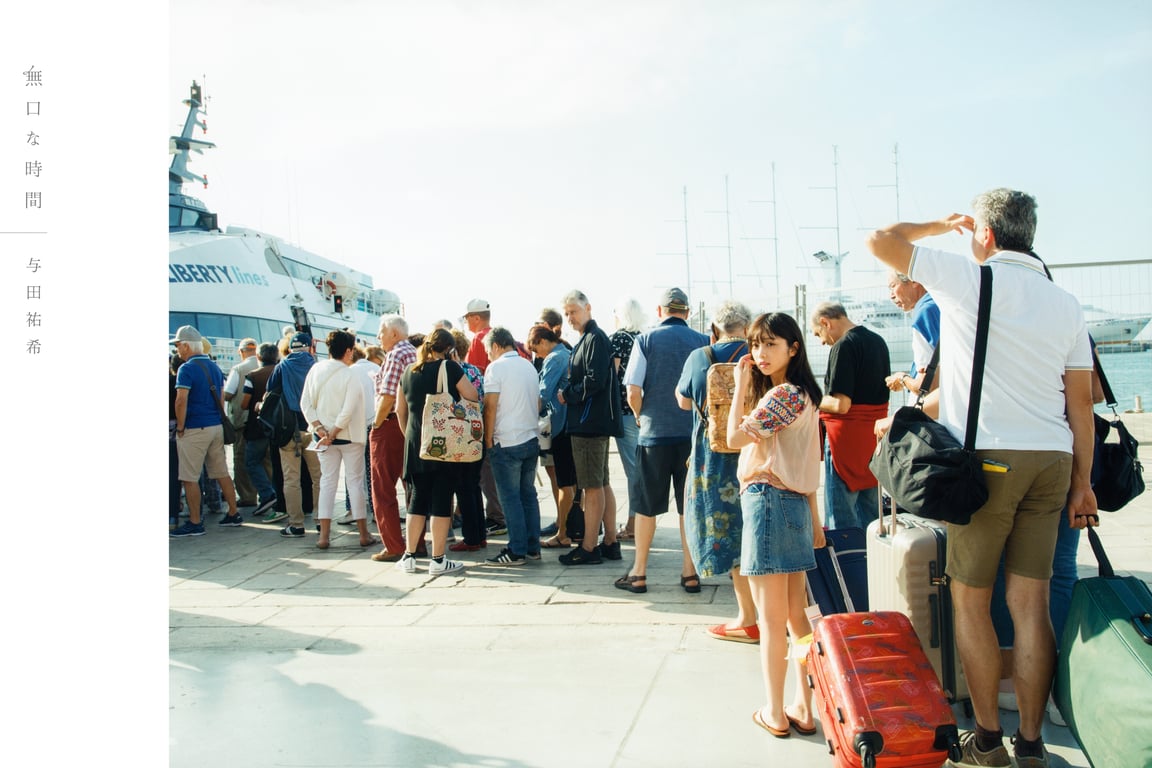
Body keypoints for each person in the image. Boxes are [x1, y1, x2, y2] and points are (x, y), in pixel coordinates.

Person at [866, 188, 1096, 768]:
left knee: (970, 601)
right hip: (1054, 459)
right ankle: (1034, 743)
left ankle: (989, 741)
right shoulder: (1065, 302)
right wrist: (1084, 483)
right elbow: (1081, 407)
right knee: (1031, 603)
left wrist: (941, 225)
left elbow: (879, 240)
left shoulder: (968, 280)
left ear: (986, 234)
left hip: (990, 458)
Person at [727, 312, 824, 740]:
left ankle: (775, 710)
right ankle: (804, 706)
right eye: (755, 345)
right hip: (795, 507)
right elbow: (810, 465)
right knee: (797, 618)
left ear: (793, 348)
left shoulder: (782, 396)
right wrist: (815, 522)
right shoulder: (806, 396)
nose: (760, 353)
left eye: (770, 344)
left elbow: (732, 439)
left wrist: (741, 385)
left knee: (771, 622)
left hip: (768, 502)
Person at [616, 287, 708, 594]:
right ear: (688, 312)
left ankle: (639, 572)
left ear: (659, 311)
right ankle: (690, 571)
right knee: (688, 507)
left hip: (654, 435)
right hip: (691, 437)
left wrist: (642, 417)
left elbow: (632, 391)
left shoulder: (645, 340)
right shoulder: (703, 342)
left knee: (646, 507)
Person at [677, 299, 759, 641]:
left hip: (712, 454)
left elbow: (683, 401)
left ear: (714, 329)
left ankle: (747, 616)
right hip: (754, 446)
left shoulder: (700, 357)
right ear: (749, 326)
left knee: (729, 531)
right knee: (756, 526)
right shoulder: (757, 356)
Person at [395, 329, 478, 577]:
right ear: (449, 349)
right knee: (442, 500)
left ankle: (409, 556)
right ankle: (438, 559)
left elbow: (401, 411)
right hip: (442, 445)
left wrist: (410, 436)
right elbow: (472, 396)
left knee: (417, 500)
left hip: (414, 443)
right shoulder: (449, 368)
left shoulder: (408, 371)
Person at [810, 302, 890, 530]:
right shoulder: (878, 341)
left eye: (819, 334)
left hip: (844, 442)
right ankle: (872, 562)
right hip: (872, 440)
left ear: (826, 322)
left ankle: (845, 564)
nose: (822, 341)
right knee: (872, 517)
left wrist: (809, 396)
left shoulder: (843, 346)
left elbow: (841, 404)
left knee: (841, 520)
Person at [557, 289, 622, 566]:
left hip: (588, 422)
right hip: (592, 421)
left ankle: (589, 547)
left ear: (588, 308)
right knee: (601, 482)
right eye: (567, 313)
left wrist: (567, 394)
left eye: (573, 311)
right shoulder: (591, 338)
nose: (570, 317)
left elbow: (594, 381)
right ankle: (609, 542)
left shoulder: (594, 338)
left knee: (592, 486)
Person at [170, 325, 242, 536]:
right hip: (215, 426)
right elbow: (220, 398)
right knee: (221, 471)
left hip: (194, 428)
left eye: (178, 345)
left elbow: (181, 400)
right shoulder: (213, 366)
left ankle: (195, 522)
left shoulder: (186, 369)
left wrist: (181, 426)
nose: (177, 350)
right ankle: (233, 512)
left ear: (186, 345)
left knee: (189, 476)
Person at [482, 327, 543, 565]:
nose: (488, 355)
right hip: (530, 437)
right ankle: (532, 546)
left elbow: (490, 406)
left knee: (510, 497)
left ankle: (516, 550)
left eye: (488, 350)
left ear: (496, 346)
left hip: (505, 440)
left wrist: (488, 439)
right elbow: (537, 402)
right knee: (528, 495)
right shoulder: (528, 365)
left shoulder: (496, 368)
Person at [369, 315, 416, 562]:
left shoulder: (396, 354)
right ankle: (416, 542)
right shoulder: (414, 352)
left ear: (394, 334)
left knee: (383, 488)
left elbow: (387, 397)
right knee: (412, 486)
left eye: (381, 331)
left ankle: (394, 545)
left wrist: (375, 424)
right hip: (411, 425)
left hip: (389, 425)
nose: (378, 337)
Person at [268, 331, 322, 539]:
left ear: (290, 349)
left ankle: (296, 524)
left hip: (288, 429)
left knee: (291, 478)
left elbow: (270, 393)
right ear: (310, 347)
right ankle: (320, 519)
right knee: (318, 477)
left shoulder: (281, 367)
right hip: (314, 428)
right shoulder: (316, 367)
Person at [528, 325, 577, 549]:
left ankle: (563, 532)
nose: (537, 354)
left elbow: (543, 394)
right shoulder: (569, 353)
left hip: (560, 425)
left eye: (535, 348)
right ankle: (574, 528)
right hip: (573, 424)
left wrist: (528, 418)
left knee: (564, 483)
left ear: (543, 341)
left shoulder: (554, 358)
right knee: (575, 483)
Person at [447, 329, 487, 552]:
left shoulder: (453, 372)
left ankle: (471, 538)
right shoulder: (475, 371)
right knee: (473, 486)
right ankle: (479, 534)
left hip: (458, 434)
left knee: (462, 487)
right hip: (476, 432)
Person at [611, 297, 645, 540]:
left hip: (623, 410)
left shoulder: (619, 338)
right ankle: (639, 521)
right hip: (641, 408)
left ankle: (634, 523)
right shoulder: (641, 338)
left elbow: (612, 374)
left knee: (633, 470)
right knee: (640, 467)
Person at [337, 344, 381, 526]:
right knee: (373, 470)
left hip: (354, 426)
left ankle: (352, 510)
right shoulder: (377, 368)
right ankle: (376, 509)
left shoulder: (349, 372)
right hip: (375, 423)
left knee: (353, 471)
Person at [883, 271, 940, 397]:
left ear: (914, 281)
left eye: (893, 286)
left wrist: (902, 378)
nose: (891, 296)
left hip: (933, 410)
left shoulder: (925, 313)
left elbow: (926, 386)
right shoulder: (941, 303)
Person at [240, 343, 280, 519]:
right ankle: (276, 495)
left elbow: (244, 403)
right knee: (273, 463)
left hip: (257, 426)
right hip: (279, 425)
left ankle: (267, 494)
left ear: (259, 357)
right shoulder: (281, 372)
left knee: (251, 462)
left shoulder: (252, 376)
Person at [223, 338, 261, 508]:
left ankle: (247, 495)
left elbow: (228, 393)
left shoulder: (238, 369)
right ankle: (267, 494)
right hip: (264, 420)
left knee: (241, 458)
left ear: (242, 352)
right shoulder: (268, 365)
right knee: (264, 459)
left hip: (242, 420)